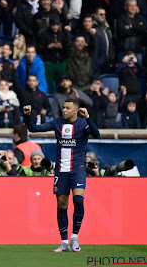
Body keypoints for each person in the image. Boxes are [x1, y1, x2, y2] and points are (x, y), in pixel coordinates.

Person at [23, 98, 100, 252]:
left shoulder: (83, 123)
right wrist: (27, 115)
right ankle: (64, 242)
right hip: (61, 169)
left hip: (78, 168)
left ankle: (74, 237)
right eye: (63, 107)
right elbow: (33, 128)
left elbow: (96, 134)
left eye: (67, 108)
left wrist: (88, 118)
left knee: (78, 200)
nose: (64, 110)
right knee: (62, 205)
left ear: (75, 110)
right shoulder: (57, 122)